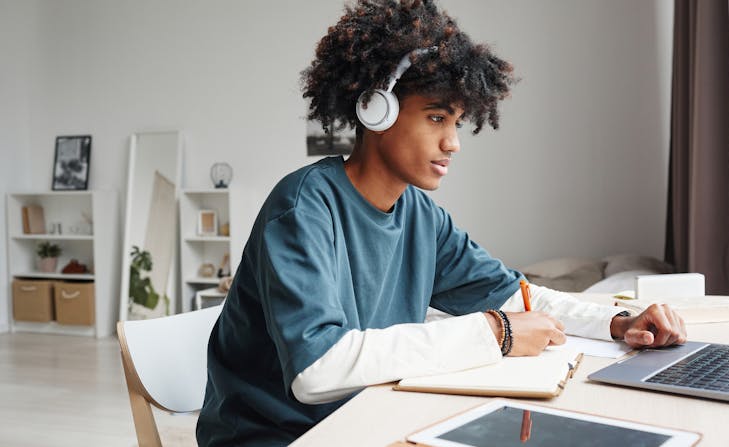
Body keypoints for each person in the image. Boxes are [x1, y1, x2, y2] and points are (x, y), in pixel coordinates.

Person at [196, 1, 687, 445]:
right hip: (277, 438)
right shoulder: (303, 207)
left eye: (456, 122)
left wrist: (618, 322)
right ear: (376, 109)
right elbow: (317, 370)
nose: (453, 142)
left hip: (368, 419)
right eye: (435, 118)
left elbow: (515, 296)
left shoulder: (420, 216)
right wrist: (496, 333)